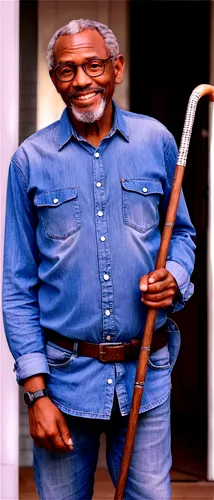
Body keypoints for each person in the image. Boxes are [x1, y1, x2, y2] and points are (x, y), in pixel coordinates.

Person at [2, 19, 196, 500]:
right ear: (54, 80)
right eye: (67, 71)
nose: (82, 80)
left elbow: (184, 236)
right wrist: (36, 393)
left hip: (145, 378)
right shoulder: (30, 159)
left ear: (117, 68)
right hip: (64, 384)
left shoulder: (157, 141)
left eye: (94, 65)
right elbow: (17, 283)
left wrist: (174, 275)